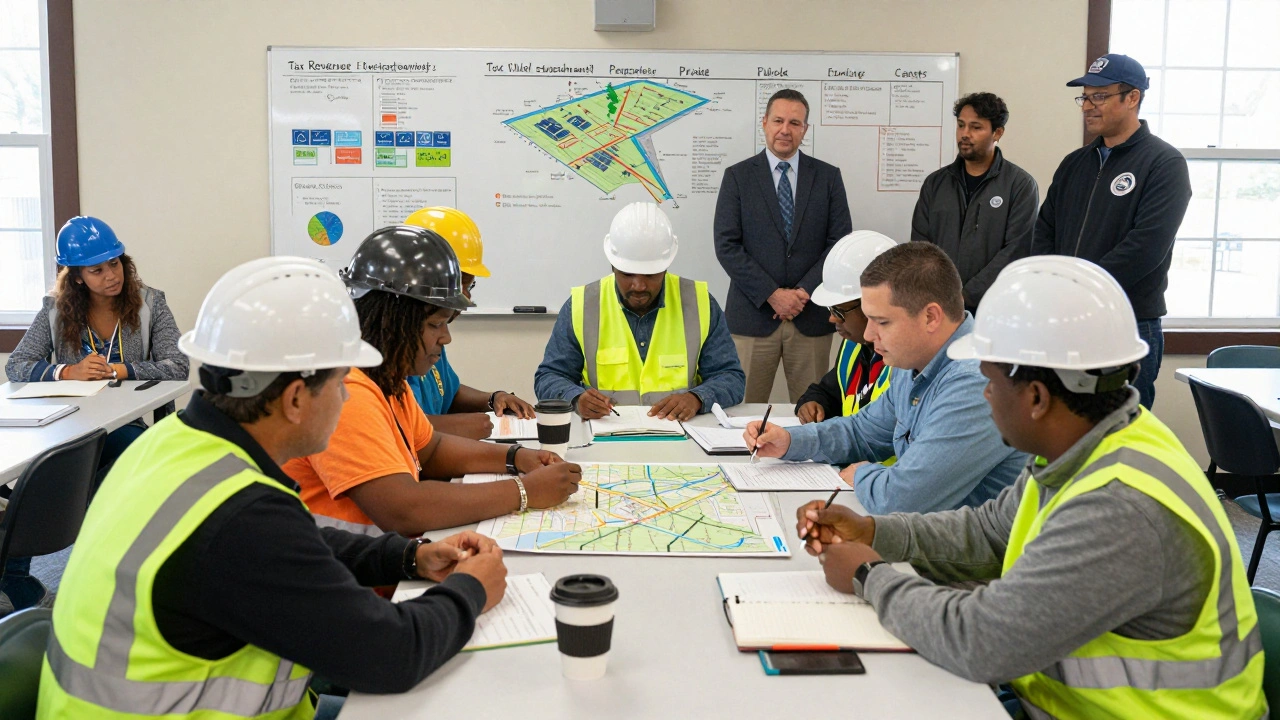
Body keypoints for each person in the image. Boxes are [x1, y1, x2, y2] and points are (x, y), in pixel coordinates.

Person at [38, 257, 511, 720]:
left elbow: (298, 538)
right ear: (296, 398)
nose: (347, 395)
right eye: (340, 383)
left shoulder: (171, 442)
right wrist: (471, 590)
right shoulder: (242, 517)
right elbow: (392, 655)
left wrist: (407, 556)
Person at [795, 256, 1265, 720]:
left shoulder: (1119, 506)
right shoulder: (1090, 444)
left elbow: (983, 641)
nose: (983, 396)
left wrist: (868, 576)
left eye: (990, 382)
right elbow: (990, 530)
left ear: (1037, 398)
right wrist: (874, 531)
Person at [286, 226, 581, 537]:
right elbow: (402, 509)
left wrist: (517, 457)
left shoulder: (388, 382)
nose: (446, 337)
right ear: (393, 320)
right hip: (357, 578)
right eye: (435, 324)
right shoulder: (346, 393)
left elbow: (431, 449)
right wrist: (524, 491)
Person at [746, 242, 1025, 514]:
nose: (867, 336)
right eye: (868, 320)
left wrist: (862, 474)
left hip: (962, 556)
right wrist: (790, 441)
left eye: (882, 322)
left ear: (930, 317)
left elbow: (905, 497)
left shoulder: (976, 382)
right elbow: (863, 432)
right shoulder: (912, 361)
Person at [2, 215, 189, 618]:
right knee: (42, 476)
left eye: (115, 264)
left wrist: (122, 370)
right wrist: (65, 372)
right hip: (67, 425)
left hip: (121, 426)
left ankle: (113, 561)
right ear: (76, 277)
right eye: (97, 269)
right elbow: (16, 365)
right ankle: (15, 577)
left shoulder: (150, 302)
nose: (111, 275)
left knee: (139, 457)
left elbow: (178, 365)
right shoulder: (55, 309)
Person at [1031, 54, 1192, 410]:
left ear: (1131, 98)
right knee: (1066, 424)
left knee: (1123, 428)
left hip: (1128, 321)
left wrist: (1078, 289)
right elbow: (1045, 232)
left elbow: (1146, 247)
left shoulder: (1164, 164)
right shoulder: (1075, 163)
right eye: (1085, 98)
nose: (1087, 107)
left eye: (1099, 97)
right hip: (1068, 322)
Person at [535, 202, 744, 421]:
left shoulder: (699, 303)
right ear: (612, 265)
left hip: (680, 439)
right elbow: (549, 377)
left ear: (665, 266)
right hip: (605, 438)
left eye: (650, 274)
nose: (639, 286)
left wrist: (697, 398)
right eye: (627, 274)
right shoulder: (583, 305)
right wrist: (576, 398)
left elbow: (731, 378)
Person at [714, 88, 852, 403]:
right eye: (778, 120)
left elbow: (839, 243)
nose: (785, 130)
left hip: (811, 316)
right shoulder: (738, 177)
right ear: (764, 123)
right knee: (740, 412)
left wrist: (803, 292)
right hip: (752, 316)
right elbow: (727, 245)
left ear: (805, 129)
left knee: (814, 412)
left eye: (794, 122)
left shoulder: (828, 177)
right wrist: (772, 295)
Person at [404, 206, 535, 440]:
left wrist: (492, 398)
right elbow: (400, 425)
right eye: (460, 283)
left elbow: (447, 393)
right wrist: (458, 425)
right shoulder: (396, 345)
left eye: (470, 285)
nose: (467, 296)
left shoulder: (433, 336)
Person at [911, 92, 1038, 313]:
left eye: (976, 127)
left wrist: (964, 296)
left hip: (995, 309)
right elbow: (920, 245)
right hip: (938, 307)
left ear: (997, 133)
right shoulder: (936, 183)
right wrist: (938, 294)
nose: (965, 134)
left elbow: (1016, 251)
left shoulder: (1020, 185)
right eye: (961, 125)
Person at [795, 231, 897, 424]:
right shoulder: (853, 346)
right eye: (831, 309)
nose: (832, 319)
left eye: (840, 310)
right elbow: (828, 391)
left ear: (872, 306)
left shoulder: (905, 364)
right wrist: (812, 402)